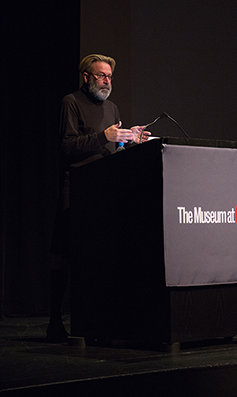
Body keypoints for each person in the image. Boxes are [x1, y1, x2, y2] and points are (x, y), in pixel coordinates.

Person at [46, 54, 150, 342]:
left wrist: (129, 141)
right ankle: (56, 319)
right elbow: (67, 146)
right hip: (77, 190)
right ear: (86, 77)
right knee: (65, 256)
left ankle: (101, 320)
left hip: (104, 190)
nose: (107, 81)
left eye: (110, 77)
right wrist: (105, 135)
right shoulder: (71, 102)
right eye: (101, 76)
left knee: (102, 257)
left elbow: (111, 151)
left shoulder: (113, 107)